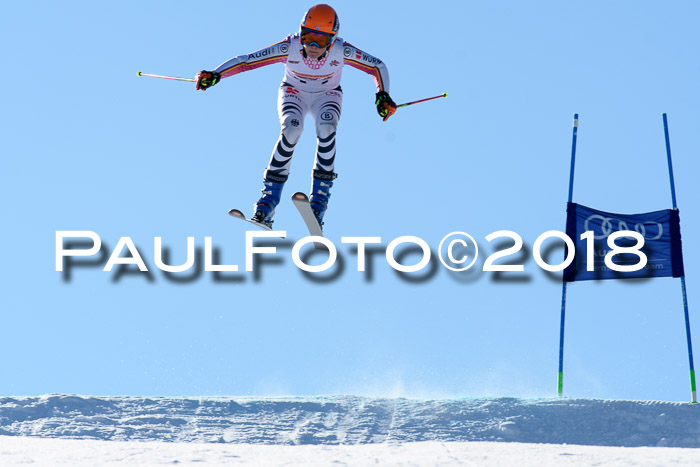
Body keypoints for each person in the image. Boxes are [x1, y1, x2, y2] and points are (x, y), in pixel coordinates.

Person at [195, 4, 396, 229]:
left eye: (320, 41)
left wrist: (383, 94)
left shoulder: (342, 51)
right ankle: (267, 203)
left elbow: (377, 66)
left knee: (327, 129)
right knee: (292, 129)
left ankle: (319, 204)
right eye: (308, 37)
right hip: (294, 92)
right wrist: (216, 74)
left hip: (326, 95)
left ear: (332, 40)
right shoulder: (288, 47)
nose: (312, 46)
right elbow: (246, 61)